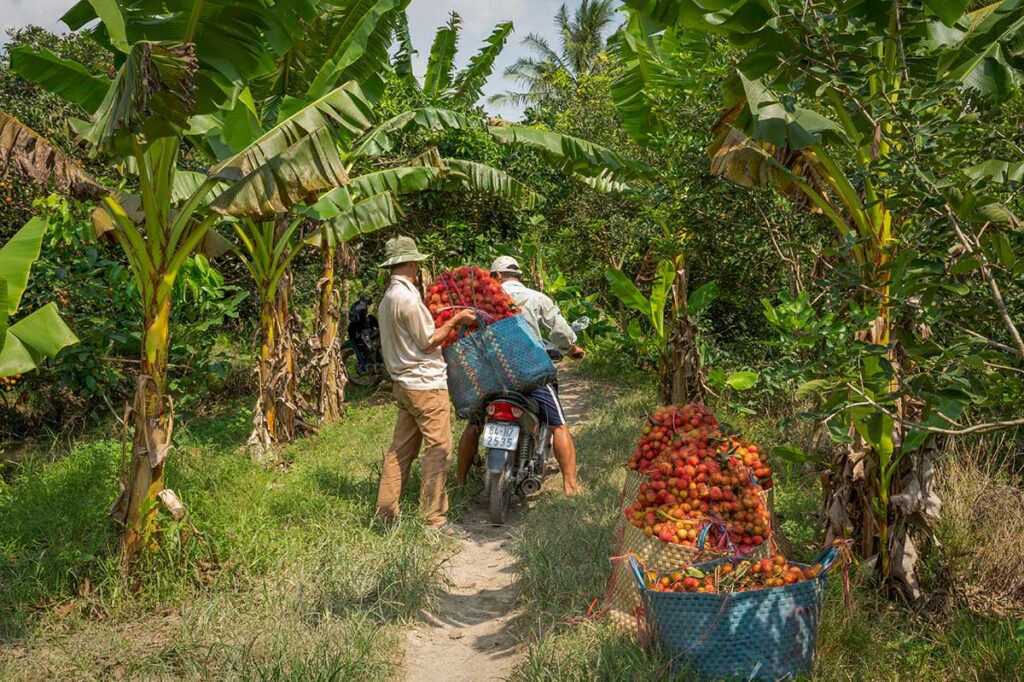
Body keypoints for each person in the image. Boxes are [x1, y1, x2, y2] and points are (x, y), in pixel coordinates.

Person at [455, 256, 584, 496]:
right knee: (559, 426)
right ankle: (570, 485)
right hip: (531, 374)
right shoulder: (537, 298)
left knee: (474, 425)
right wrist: (572, 349)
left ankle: (459, 482)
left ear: (495, 276)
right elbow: (560, 330)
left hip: (491, 377)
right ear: (519, 277)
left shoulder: (479, 301)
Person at [375, 236, 477, 534]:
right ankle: (434, 519)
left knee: (400, 451)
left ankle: (386, 513)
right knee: (439, 449)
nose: (418, 267)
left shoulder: (387, 299)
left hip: (403, 384)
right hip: (425, 385)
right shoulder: (407, 298)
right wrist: (456, 319)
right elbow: (429, 340)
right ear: (408, 264)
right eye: (416, 262)